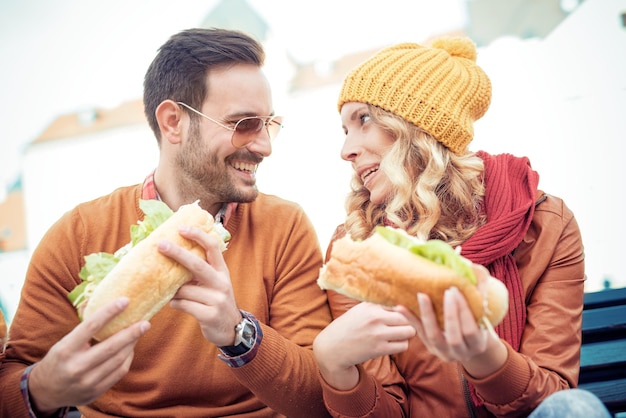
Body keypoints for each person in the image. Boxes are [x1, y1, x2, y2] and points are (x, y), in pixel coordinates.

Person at [0, 28, 332, 417]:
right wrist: (43, 388)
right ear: (173, 122)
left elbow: (319, 399)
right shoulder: (78, 234)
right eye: (244, 124)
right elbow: (13, 379)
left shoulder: (284, 227)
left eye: (268, 124)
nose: (264, 146)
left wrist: (238, 333)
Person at [313, 37, 610, 417]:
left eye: (364, 120)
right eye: (344, 130)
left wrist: (483, 354)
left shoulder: (546, 224)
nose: (346, 150)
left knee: (575, 408)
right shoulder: (357, 247)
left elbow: (555, 396)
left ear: (416, 127)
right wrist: (335, 367)